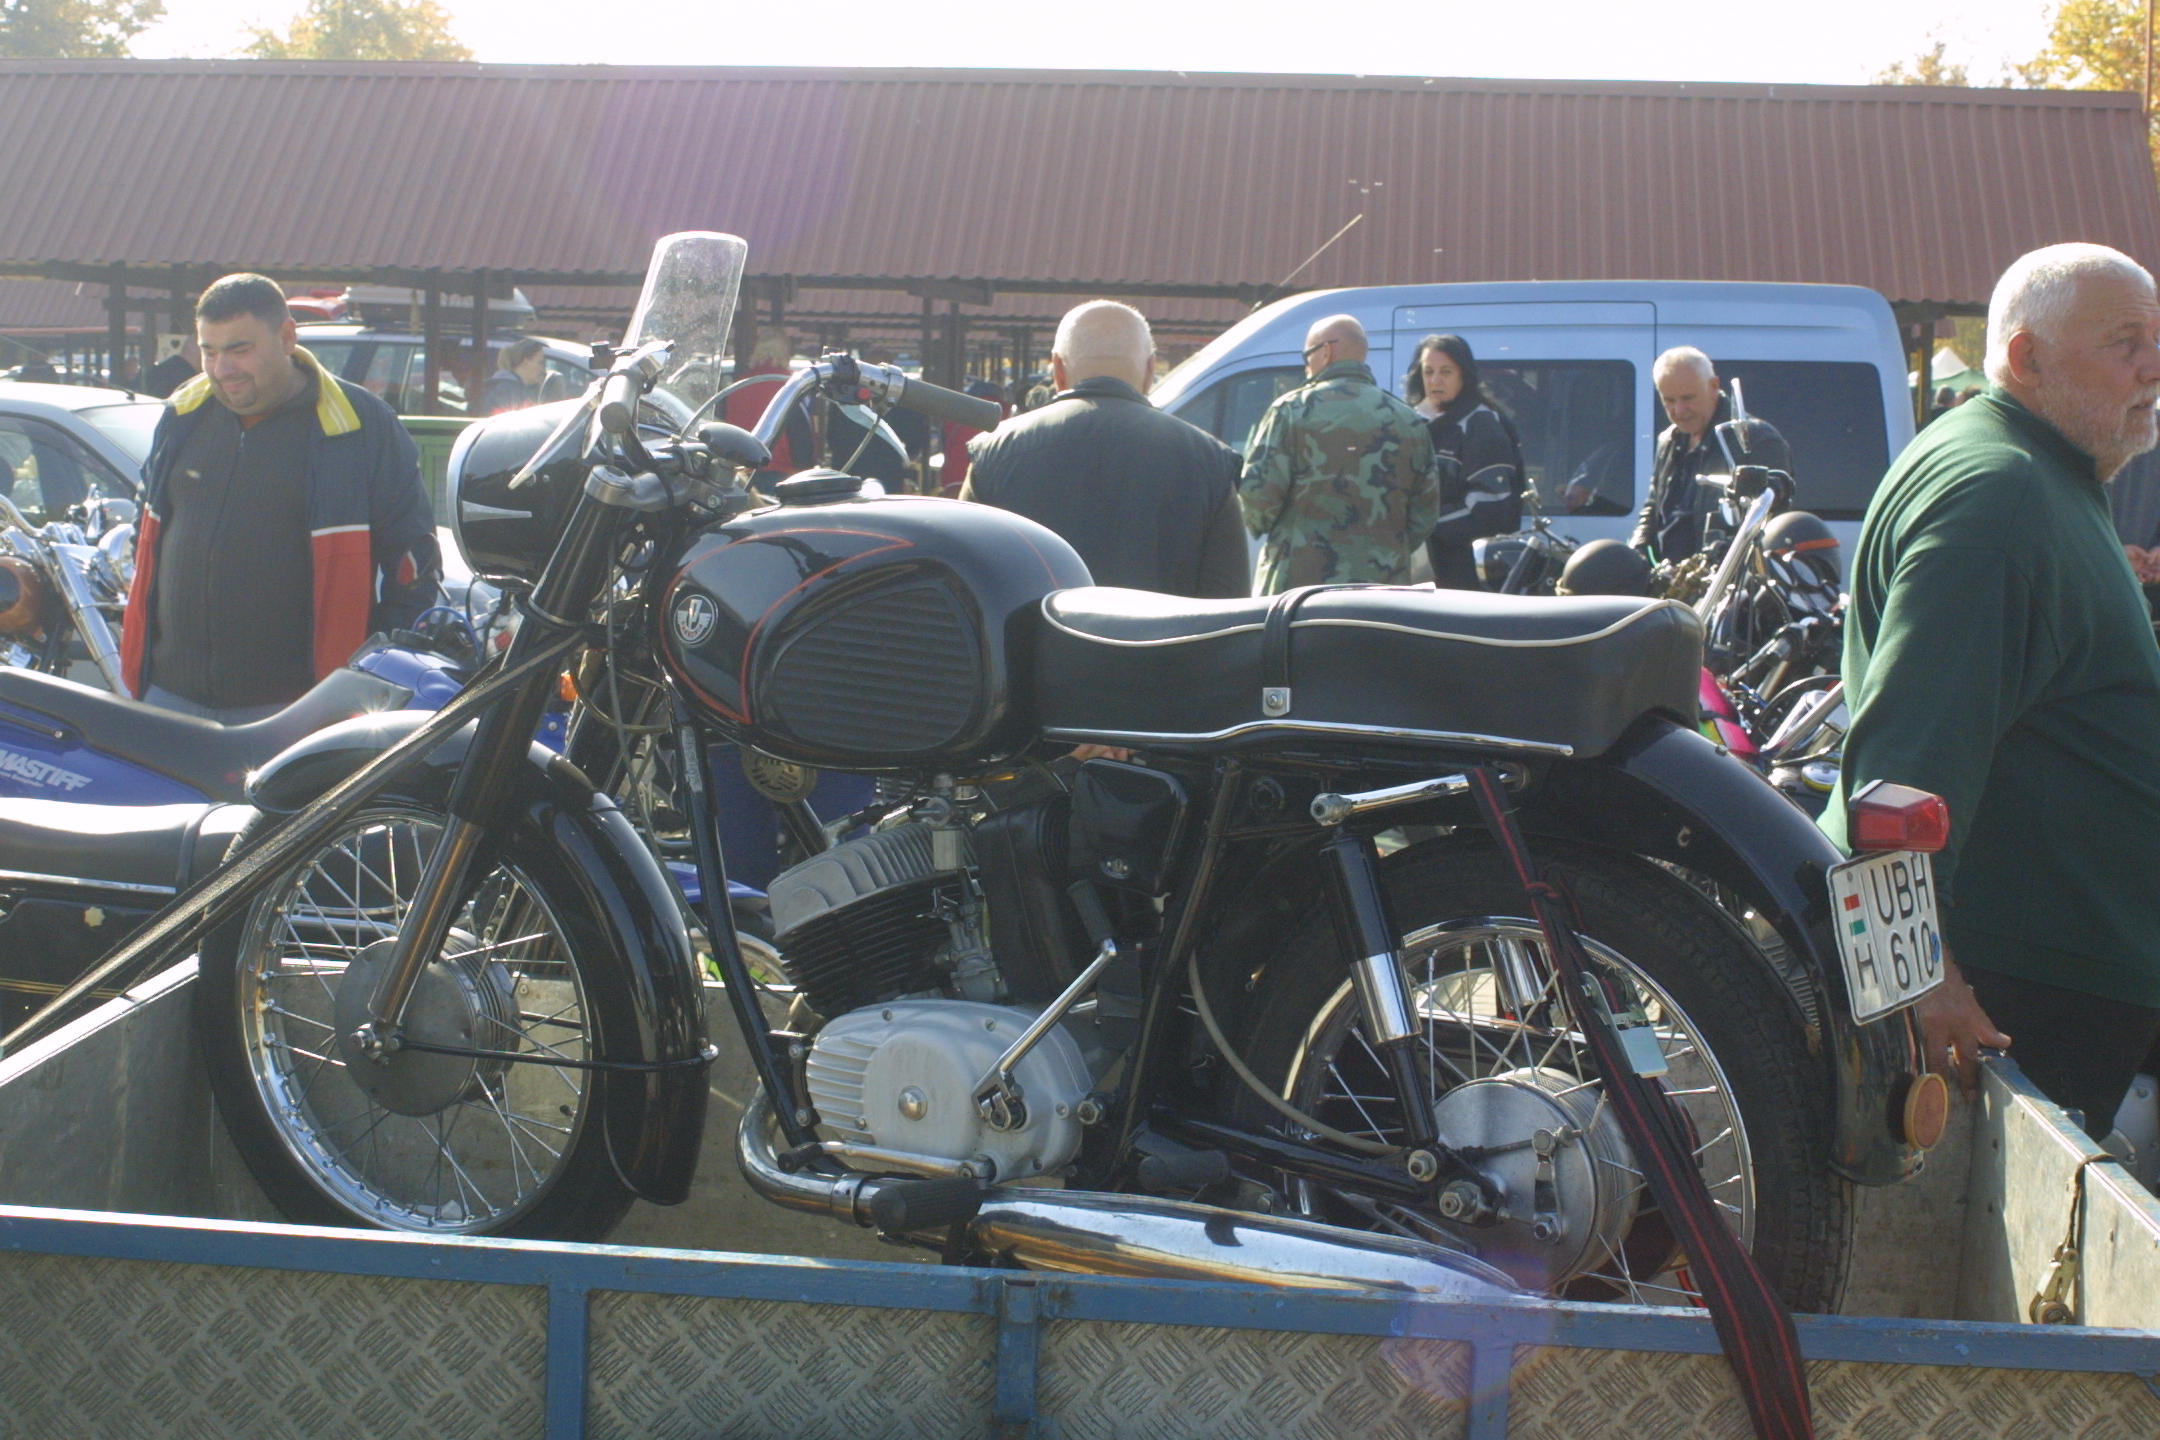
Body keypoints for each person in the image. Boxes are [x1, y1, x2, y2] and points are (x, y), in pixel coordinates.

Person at [1827, 242, 2160, 1137]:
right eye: (2126, 342)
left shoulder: (2042, 467)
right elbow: (1902, 763)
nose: (2154, 368)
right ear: (2027, 358)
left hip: (2064, 964)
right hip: (2025, 989)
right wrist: (1915, 977)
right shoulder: (2000, 495)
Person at [121, 273, 441, 724]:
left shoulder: (361, 425)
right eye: (209, 351)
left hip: (299, 712)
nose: (222, 369)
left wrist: (368, 680)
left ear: (287, 337)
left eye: (240, 349)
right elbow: (148, 525)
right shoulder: (182, 412)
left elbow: (414, 569)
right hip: (166, 698)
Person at [961, 300, 1247, 597]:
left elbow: (966, 582)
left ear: (1057, 368)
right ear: (1150, 368)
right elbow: (1229, 601)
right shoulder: (1209, 461)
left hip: (1029, 629)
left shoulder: (992, 454)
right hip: (1160, 629)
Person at [1238, 314, 1439, 593]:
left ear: (1325, 351)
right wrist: (1383, 550)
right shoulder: (1408, 420)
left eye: (1307, 355)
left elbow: (1258, 500)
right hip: (1381, 591)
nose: (1306, 366)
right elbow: (1424, 515)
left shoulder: (1292, 410)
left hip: (1298, 589)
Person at [1631, 347, 1791, 561]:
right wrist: (1637, 553)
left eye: (1688, 398)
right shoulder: (1669, 440)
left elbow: (1768, 527)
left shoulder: (1755, 441)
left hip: (1722, 576)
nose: (1679, 411)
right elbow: (1653, 508)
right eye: (1669, 400)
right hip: (1667, 575)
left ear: (1714, 386)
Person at [1406, 334, 1524, 590]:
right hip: (1424, 575)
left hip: (1465, 576)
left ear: (1464, 375)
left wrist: (1421, 523)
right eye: (1428, 371)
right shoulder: (1414, 421)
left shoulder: (1481, 425)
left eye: (1446, 372)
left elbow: (1491, 512)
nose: (1435, 380)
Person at [482, 338, 548, 414]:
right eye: (541, 363)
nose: (543, 370)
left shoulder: (515, 388)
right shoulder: (506, 391)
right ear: (526, 362)